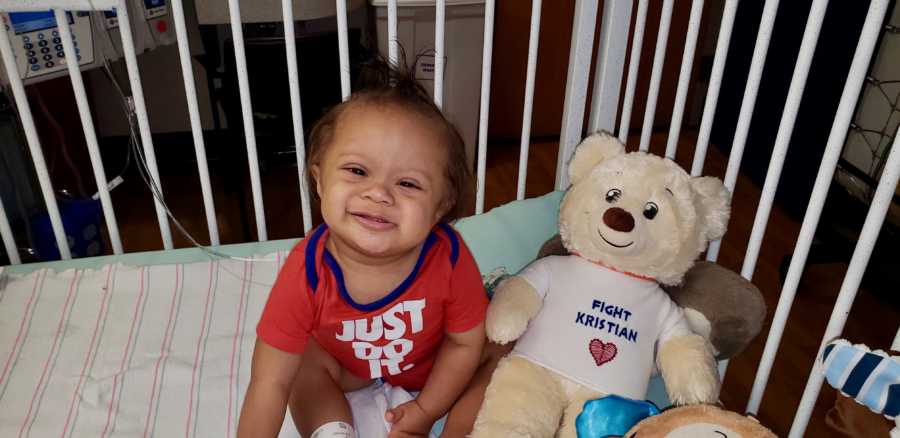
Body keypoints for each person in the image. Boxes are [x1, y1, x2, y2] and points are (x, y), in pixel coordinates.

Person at [237, 56, 488, 438]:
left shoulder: (449, 258)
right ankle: (332, 431)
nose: (378, 193)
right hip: (349, 367)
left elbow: (464, 343)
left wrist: (424, 411)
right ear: (318, 180)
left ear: (441, 206)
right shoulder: (308, 269)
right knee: (297, 363)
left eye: (408, 184)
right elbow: (268, 383)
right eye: (357, 171)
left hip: (437, 365)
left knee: (499, 348)